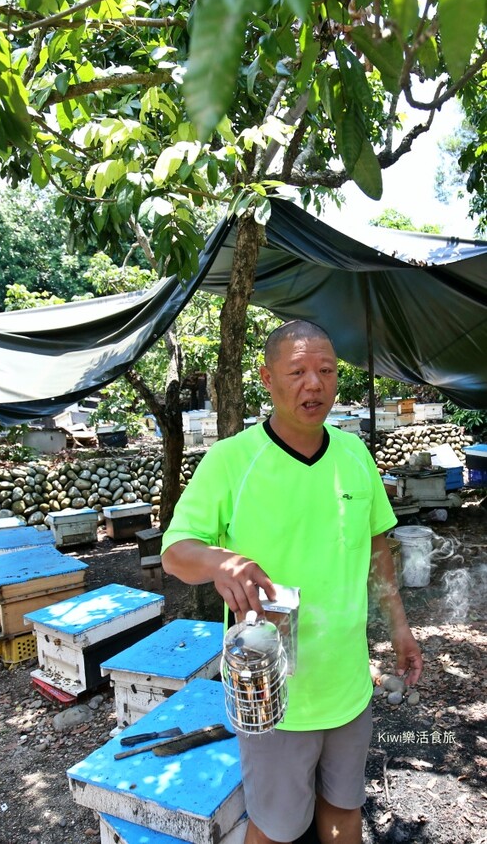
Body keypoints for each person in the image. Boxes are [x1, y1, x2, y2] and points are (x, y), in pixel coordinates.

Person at [161, 319, 423, 844]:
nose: (315, 384)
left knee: (343, 814)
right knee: (276, 829)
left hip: (347, 685)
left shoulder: (354, 456)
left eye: (326, 371)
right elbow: (175, 551)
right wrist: (219, 562)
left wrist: (399, 626)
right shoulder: (232, 461)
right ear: (267, 378)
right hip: (271, 693)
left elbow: (377, 548)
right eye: (298, 371)